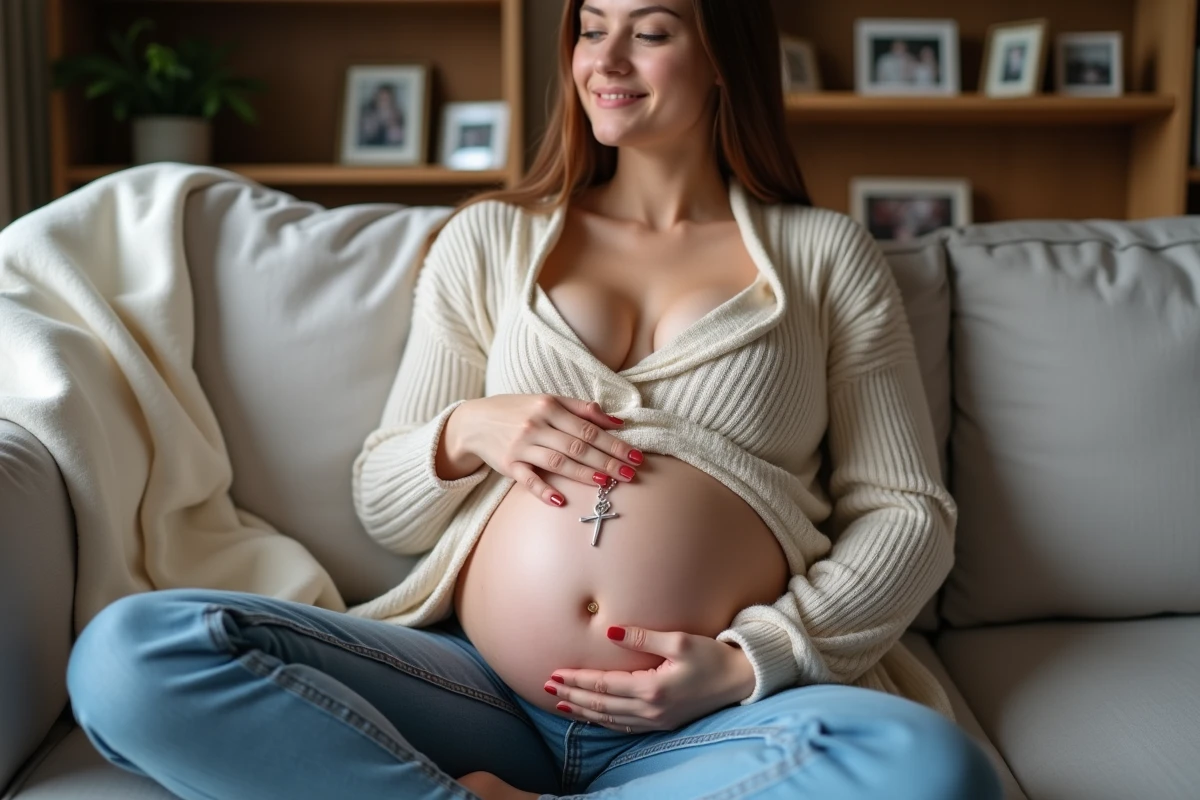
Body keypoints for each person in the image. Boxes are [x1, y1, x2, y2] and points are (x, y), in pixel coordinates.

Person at [64, 2, 1005, 799]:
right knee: (132, 654)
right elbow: (386, 501)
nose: (606, 60)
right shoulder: (490, 242)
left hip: (712, 717)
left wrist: (756, 657)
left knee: (929, 767)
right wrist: (469, 429)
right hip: (482, 699)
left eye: (652, 31)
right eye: (591, 28)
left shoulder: (824, 256)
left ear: (726, 57)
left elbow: (907, 512)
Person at [359, 83, 406, 147]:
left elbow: (399, 139)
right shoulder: (367, 113)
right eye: (381, 98)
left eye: (386, 98)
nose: (383, 101)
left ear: (391, 99)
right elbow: (365, 135)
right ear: (376, 98)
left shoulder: (397, 114)